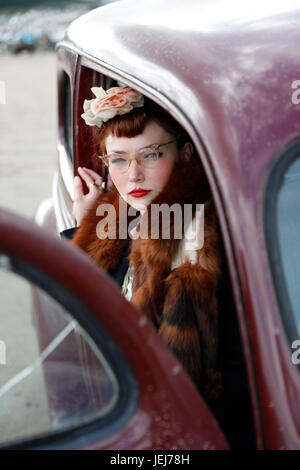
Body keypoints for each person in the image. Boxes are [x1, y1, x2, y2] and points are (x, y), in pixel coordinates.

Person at [62, 85, 256, 448]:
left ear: (184, 154)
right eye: (118, 159)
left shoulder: (207, 241)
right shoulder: (118, 219)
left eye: (150, 155)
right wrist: (86, 225)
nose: (133, 175)